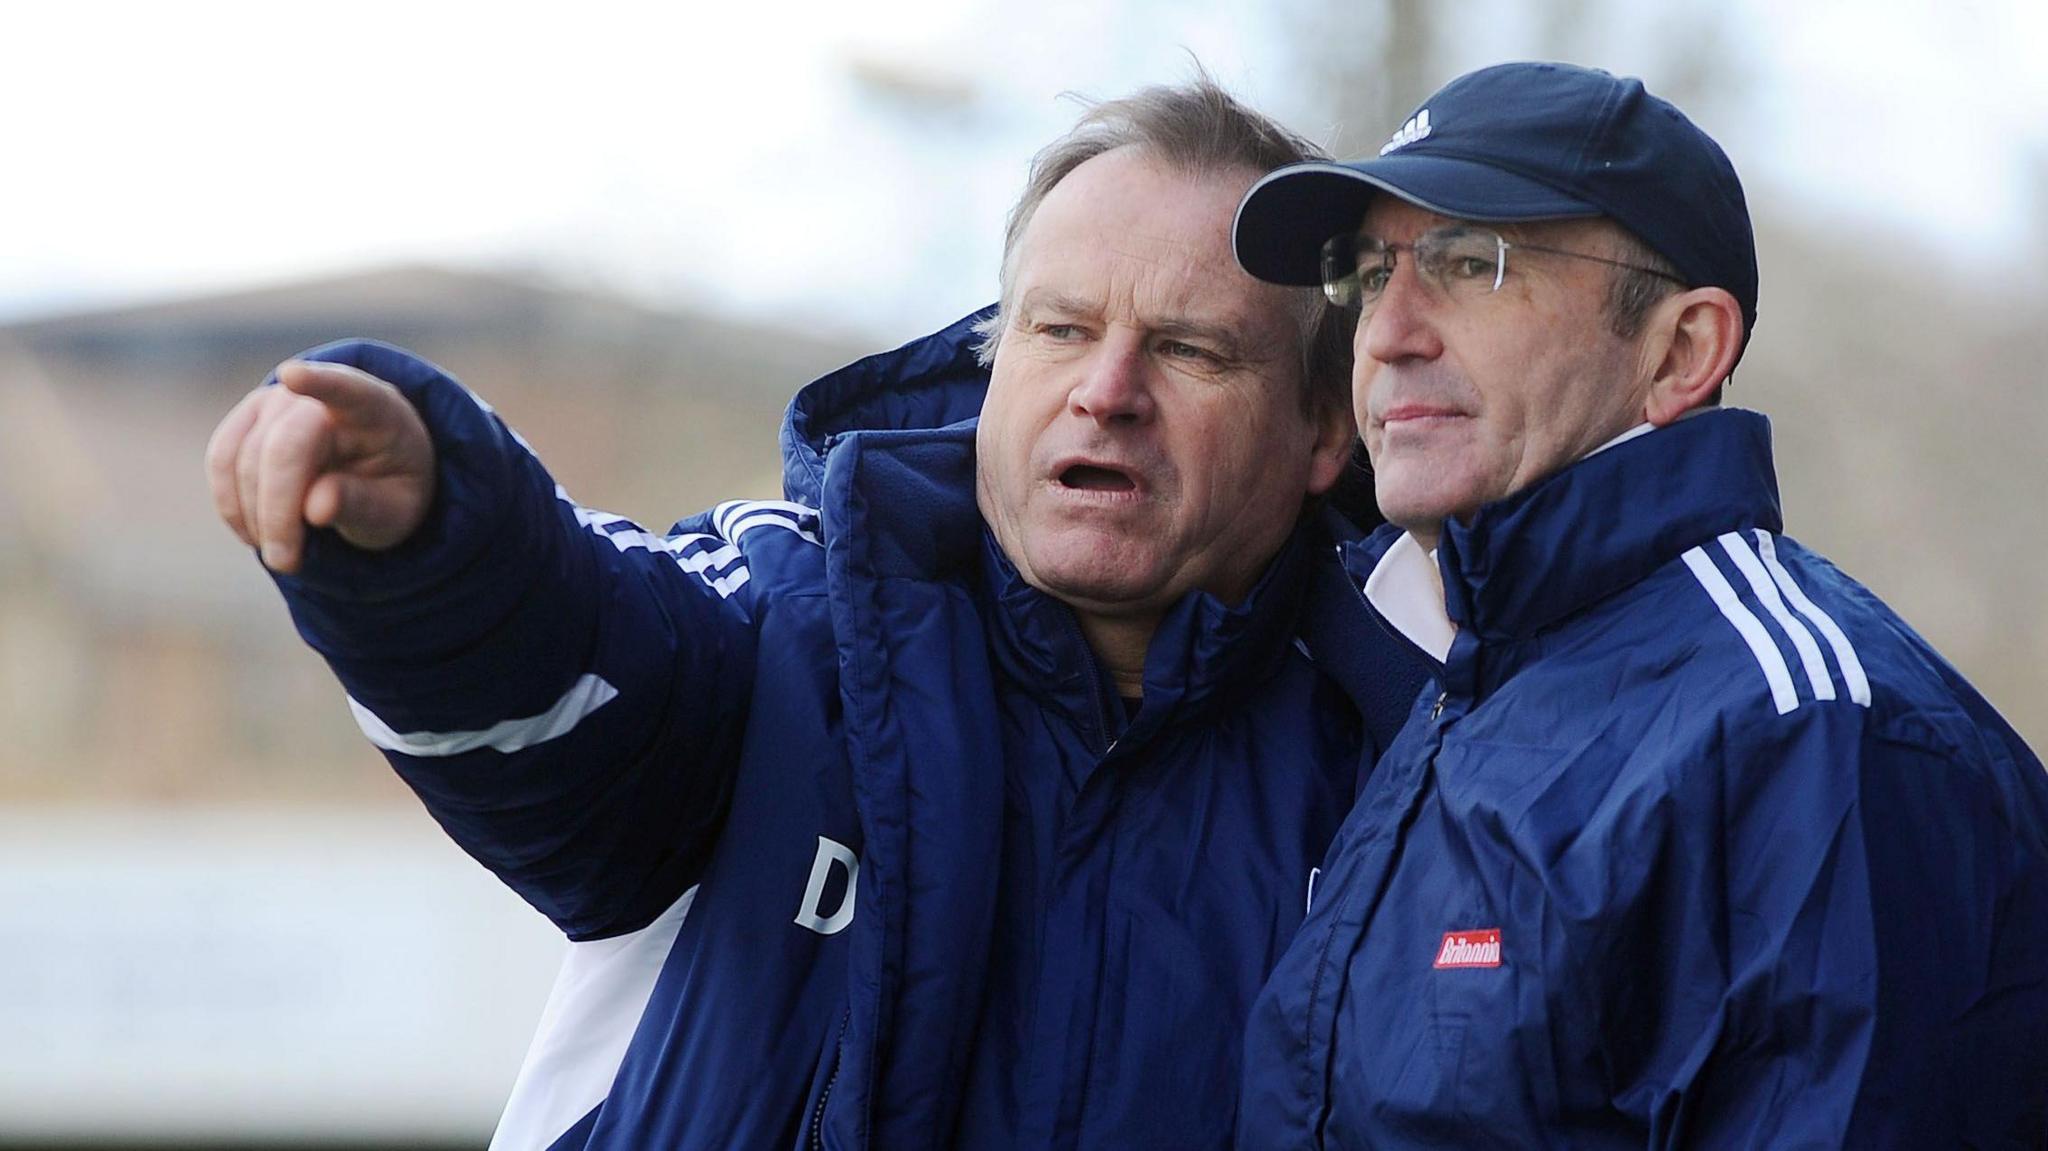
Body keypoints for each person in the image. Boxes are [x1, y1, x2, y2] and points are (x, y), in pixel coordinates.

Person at [204, 81, 1428, 1150]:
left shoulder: (1427, 737)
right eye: (1057, 330)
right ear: (993, 361)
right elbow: (571, 661)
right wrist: (433, 531)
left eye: (1190, 349)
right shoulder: (789, 618)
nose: (1104, 393)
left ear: (1325, 429)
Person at [1230, 61, 2048, 1147]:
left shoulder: (1810, 731)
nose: (1386, 334)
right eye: (1369, 274)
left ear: (1680, 351)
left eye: (1468, 261)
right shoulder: (1456, 690)